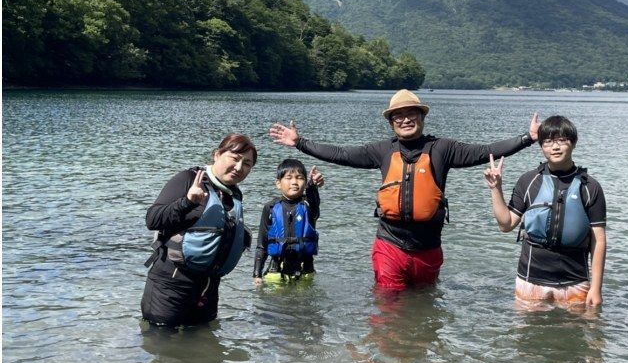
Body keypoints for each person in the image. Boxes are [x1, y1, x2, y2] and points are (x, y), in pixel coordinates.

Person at [270, 89, 540, 290]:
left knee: (424, 306)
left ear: (422, 117)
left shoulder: (442, 149)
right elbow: (341, 153)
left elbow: (485, 151)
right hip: (390, 245)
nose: (405, 119)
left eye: (412, 114)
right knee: (388, 310)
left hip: (428, 249)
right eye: (398, 116)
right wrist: (300, 143)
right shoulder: (382, 151)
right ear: (391, 123)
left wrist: (527, 139)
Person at [483, 115, 606, 307]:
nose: (555, 147)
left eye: (562, 141)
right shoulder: (529, 181)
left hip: (575, 281)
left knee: (577, 334)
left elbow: (598, 240)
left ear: (573, 143)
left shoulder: (590, 187)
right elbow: (506, 224)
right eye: (548, 142)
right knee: (526, 336)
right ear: (541, 147)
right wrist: (495, 188)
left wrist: (596, 288)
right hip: (530, 280)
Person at [141, 133, 257, 327]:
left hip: (208, 288)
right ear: (217, 154)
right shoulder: (188, 179)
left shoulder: (234, 193)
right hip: (171, 284)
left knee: (204, 347)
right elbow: (152, 219)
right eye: (235, 158)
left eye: (247, 164)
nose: (239, 168)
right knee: (161, 347)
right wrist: (187, 202)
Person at [253, 158, 325, 285]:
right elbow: (262, 243)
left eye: (300, 177)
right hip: (276, 271)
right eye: (289, 177)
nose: (294, 182)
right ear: (278, 183)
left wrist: (312, 185)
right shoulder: (270, 208)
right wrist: (257, 274)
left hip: (305, 271)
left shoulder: (309, 206)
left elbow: (314, 200)